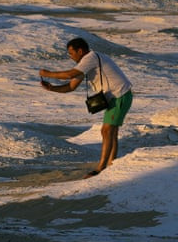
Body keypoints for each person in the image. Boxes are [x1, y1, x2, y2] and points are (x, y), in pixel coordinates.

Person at [39, 37, 133, 178]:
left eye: (71, 53)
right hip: (115, 97)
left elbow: (70, 74)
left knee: (107, 131)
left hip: (120, 95)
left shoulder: (90, 57)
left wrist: (48, 73)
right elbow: (71, 86)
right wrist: (52, 88)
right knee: (109, 131)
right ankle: (111, 164)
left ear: (80, 50)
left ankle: (101, 168)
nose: (70, 57)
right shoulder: (86, 63)